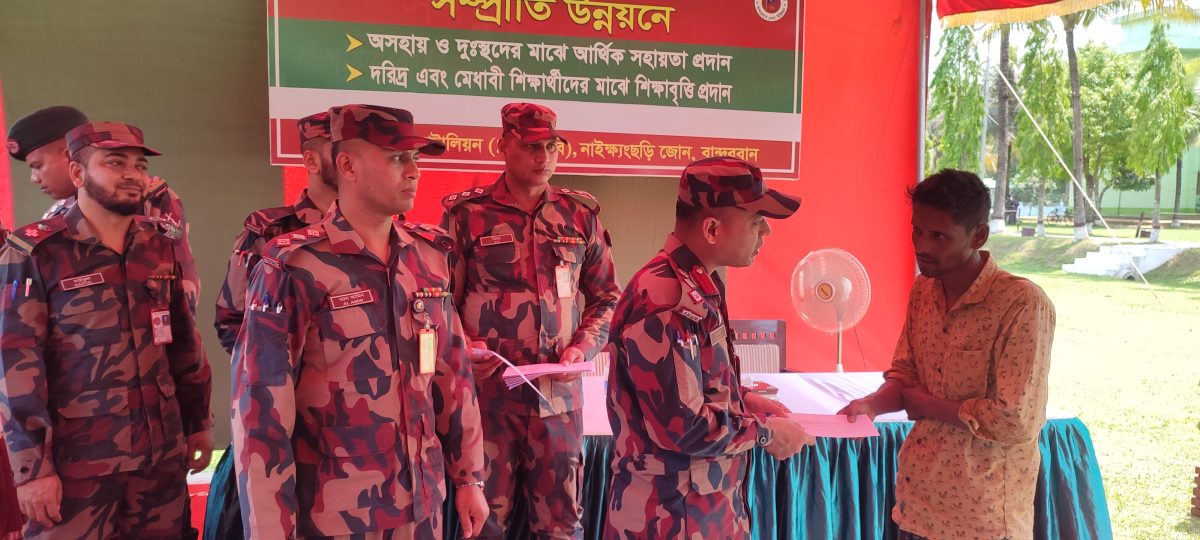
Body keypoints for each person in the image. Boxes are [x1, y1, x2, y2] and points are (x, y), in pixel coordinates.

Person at [231, 104, 488, 539]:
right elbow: (261, 410)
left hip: (422, 505)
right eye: (397, 158)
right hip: (335, 513)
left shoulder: (429, 256)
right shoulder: (294, 265)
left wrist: (469, 478)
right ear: (347, 165)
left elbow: (452, 373)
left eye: (415, 158)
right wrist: (270, 529)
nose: (414, 172)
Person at [0, 121, 213, 539]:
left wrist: (198, 422)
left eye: (139, 165)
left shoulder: (158, 244)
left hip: (160, 460)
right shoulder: (35, 252)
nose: (132, 174)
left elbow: (182, 342)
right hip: (75, 467)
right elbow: (16, 364)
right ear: (77, 173)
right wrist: (32, 469)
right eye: (115, 163)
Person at [603, 156, 814, 539]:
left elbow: (693, 380)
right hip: (669, 517)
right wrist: (766, 433)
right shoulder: (667, 298)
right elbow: (683, 426)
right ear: (712, 229)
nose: (766, 231)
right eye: (756, 221)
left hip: (700, 511)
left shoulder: (697, 283)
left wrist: (743, 398)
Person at [838, 169, 1056, 540]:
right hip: (917, 506)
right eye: (917, 231)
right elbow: (905, 373)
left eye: (939, 236)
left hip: (981, 519)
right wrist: (872, 405)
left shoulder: (1021, 303)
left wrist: (931, 406)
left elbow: (1016, 420)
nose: (922, 246)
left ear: (978, 235)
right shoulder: (923, 291)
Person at [440, 102, 621, 539]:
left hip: (557, 401)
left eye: (552, 147)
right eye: (532, 147)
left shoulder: (579, 216)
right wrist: (464, 347)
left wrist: (583, 347)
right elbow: (440, 301)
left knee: (561, 526)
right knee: (485, 525)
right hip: (488, 399)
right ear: (502, 146)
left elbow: (607, 298)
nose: (544, 157)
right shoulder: (467, 216)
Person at [206, 108, 341, 540]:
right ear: (312, 160)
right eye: (340, 149)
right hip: (289, 426)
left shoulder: (387, 234)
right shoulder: (270, 232)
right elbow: (232, 320)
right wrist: (282, 383)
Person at [7, 105, 201, 315]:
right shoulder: (55, 215)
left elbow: (181, 289)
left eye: (37, 166)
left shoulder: (144, 198)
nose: (34, 178)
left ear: (69, 156)